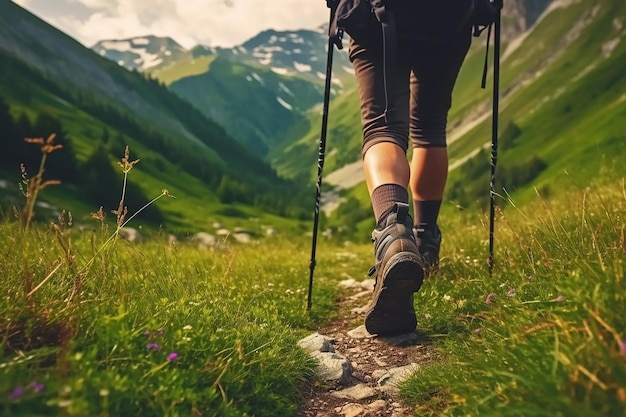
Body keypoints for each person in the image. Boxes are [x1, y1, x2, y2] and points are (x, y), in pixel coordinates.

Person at [345, 1, 474, 335]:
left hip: (376, 12)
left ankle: (393, 235)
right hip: (448, 16)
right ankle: (424, 242)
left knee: (382, 128)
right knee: (430, 128)